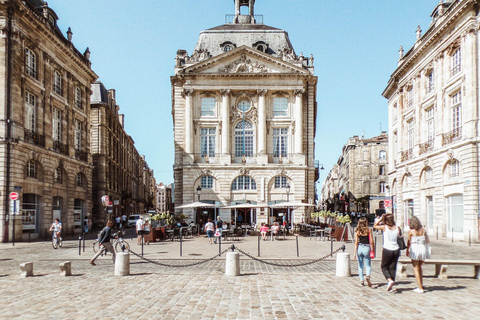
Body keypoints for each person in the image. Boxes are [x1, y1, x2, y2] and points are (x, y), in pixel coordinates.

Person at [373, 213, 401, 292]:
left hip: (387, 249)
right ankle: (391, 284)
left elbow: (375, 226)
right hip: (396, 249)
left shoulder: (385, 227)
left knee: (384, 266)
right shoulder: (397, 228)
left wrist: (381, 219)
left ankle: (389, 280)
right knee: (392, 267)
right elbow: (399, 236)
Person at [407, 216, 429, 293]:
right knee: (420, 267)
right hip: (422, 248)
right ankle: (421, 284)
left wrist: (407, 250)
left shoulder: (411, 231)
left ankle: (420, 288)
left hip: (415, 248)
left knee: (416, 268)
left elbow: (409, 242)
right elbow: (427, 240)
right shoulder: (424, 230)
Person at [353, 217, 374, 287]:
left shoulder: (357, 231)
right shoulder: (368, 230)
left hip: (360, 247)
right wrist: (372, 249)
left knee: (360, 265)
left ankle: (361, 281)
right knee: (368, 265)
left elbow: (356, 242)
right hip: (367, 247)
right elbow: (371, 241)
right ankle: (368, 276)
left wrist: (355, 253)